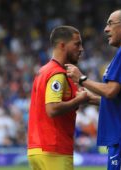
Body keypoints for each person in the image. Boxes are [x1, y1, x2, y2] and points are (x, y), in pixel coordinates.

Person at [66, 9, 121, 170]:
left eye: (110, 23)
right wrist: (90, 98)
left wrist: (81, 79)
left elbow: (110, 91)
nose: (106, 29)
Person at [27, 26, 89, 170]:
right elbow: (52, 108)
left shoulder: (44, 71)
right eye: (77, 44)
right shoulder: (57, 74)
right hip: (54, 148)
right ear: (62, 45)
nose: (81, 49)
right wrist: (78, 100)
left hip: (37, 148)